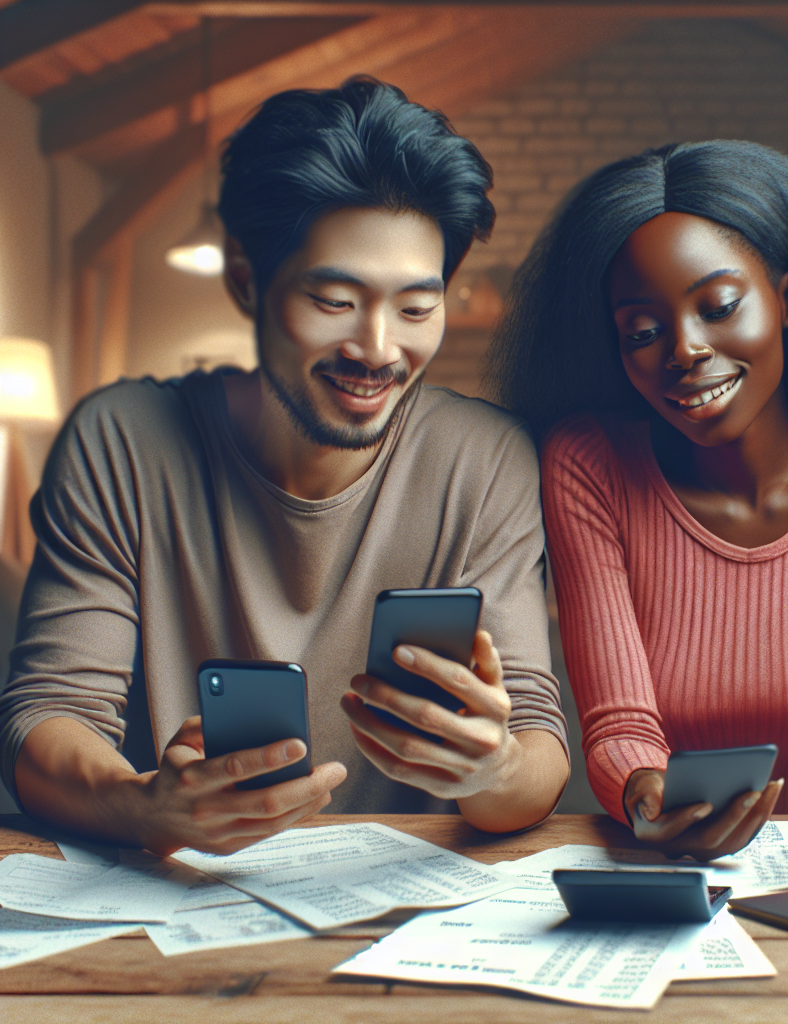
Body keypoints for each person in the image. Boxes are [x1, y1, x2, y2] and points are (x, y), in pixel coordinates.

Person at [0, 78, 569, 856]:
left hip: (395, 920)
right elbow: (47, 717)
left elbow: (537, 746)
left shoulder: (486, 459)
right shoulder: (123, 440)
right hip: (170, 904)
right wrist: (145, 807)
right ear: (246, 280)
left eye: (415, 308)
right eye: (334, 300)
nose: (377, 349)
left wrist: (492, 768)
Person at [486, 140, 788, 859]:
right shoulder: (588, 463)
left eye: (717, 306)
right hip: (661, 870)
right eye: (643, 331)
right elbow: (621, 733)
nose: (683, 349)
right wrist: (644, 794)